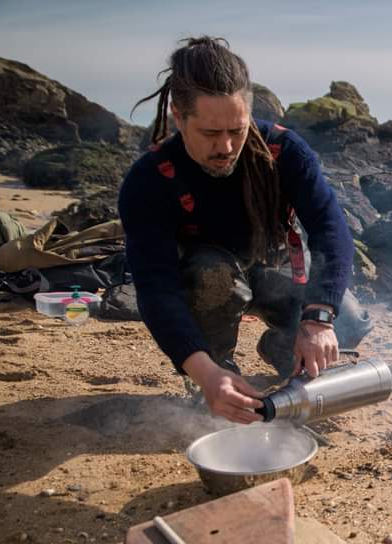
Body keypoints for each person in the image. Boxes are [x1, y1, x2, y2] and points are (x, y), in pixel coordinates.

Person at [118, 36, 371, 425]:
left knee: (348, 320)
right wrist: (204, 372)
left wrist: (317, 319)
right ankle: (218, 374)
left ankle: (282, 345)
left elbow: (330, 228)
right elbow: (155, 287)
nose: (226, 146)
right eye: (209, 133)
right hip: (205, 281)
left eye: (237, 129)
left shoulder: (284, 152)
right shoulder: (149, 180)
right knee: (213, 273)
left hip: (269, 267)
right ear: (178, 116)